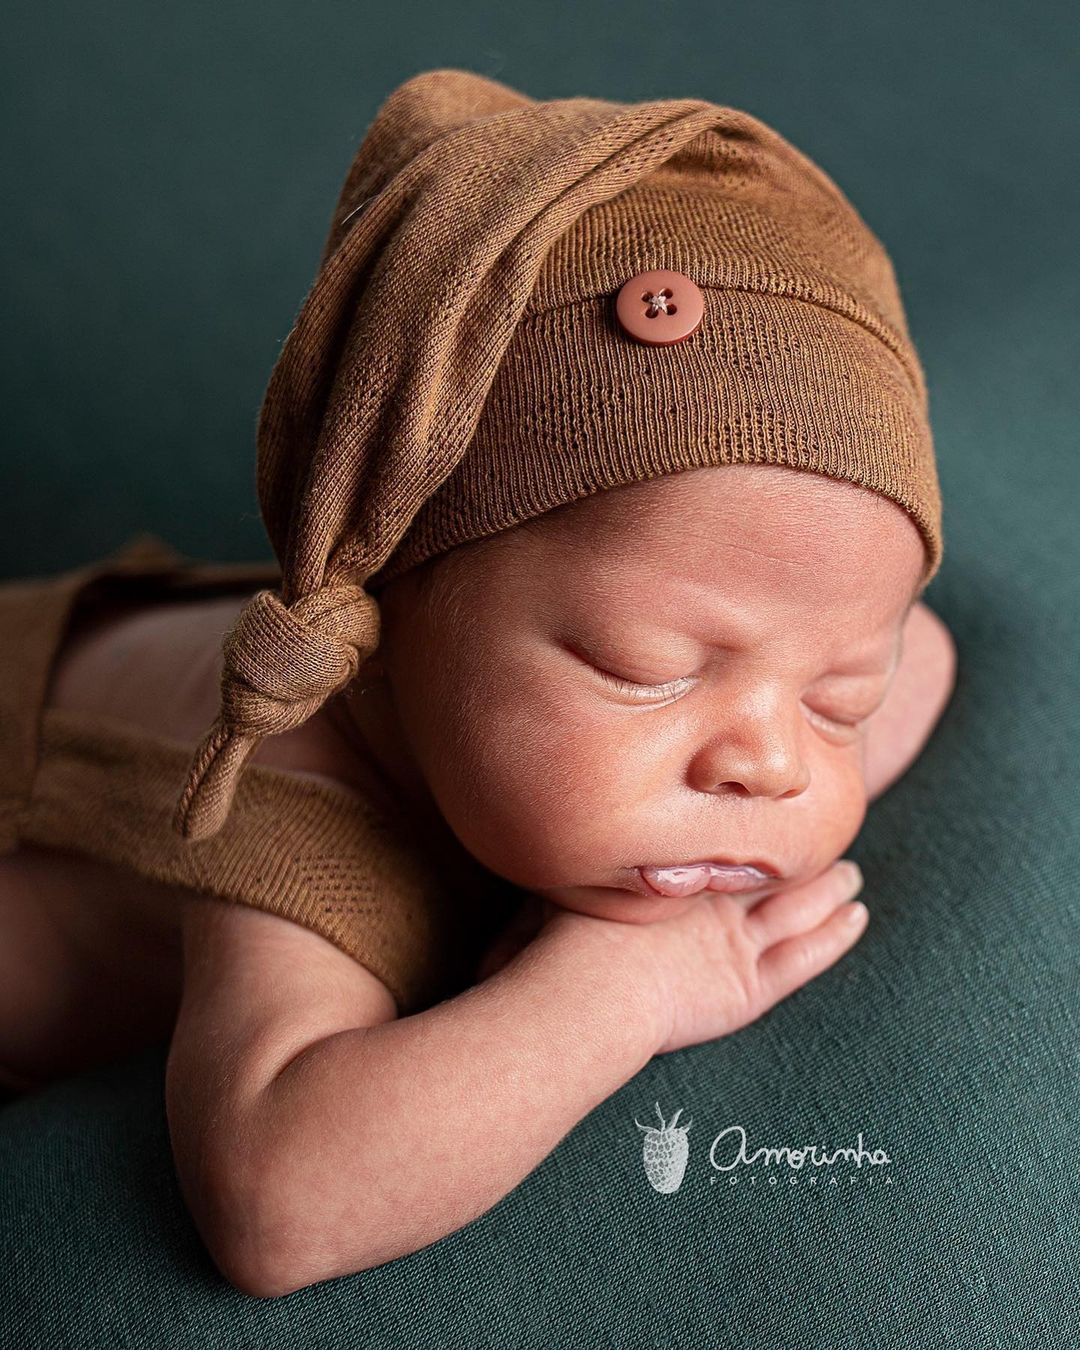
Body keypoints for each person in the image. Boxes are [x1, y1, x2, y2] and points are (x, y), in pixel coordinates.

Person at [0, 68, 956, 1294]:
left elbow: (918, 653)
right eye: (646, 670)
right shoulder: (291, 814)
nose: (769, 762)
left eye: (840, 697)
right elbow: (279, 1203)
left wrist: (831, 699)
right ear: (393, 606)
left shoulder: (691, 685)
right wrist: (624, 988)